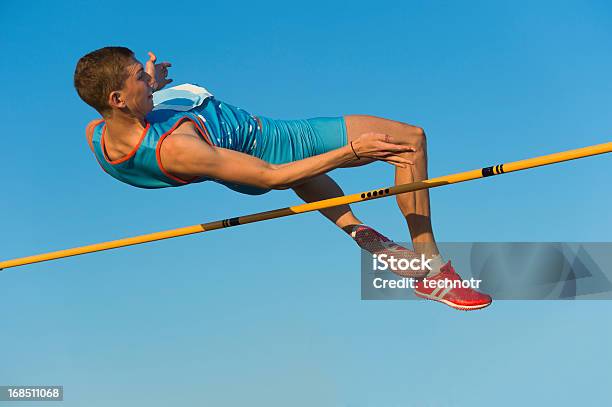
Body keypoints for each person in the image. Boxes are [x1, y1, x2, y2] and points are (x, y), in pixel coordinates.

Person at [74, 46, 492, 311]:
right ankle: (432, 269)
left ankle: (359, 231)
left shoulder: (99, 133)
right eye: (138, 78)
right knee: (410, 140)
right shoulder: (178, 148)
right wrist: (351, 152)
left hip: (249, 152)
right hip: (276, 146)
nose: (146, 80)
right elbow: (274, 175)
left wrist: (154, 85)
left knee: (302, 174)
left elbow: (133, 135)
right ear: (118, 99)